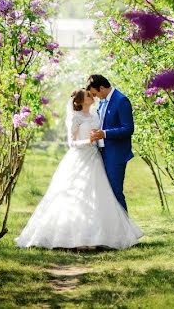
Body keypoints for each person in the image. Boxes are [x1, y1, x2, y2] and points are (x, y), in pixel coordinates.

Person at [15, 88, 143, 249]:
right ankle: (71, 237)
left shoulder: (95, 115)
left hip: (95, 159)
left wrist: (97, 141)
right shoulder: (75, 118)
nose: (92, 96)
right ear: (82, 101)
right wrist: (87, 142)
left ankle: (101, 236)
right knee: (76, 194)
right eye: (89, 95)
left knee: (99, 196)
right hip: (80, 158)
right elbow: (71, 142)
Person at [85, 74, 134, 211]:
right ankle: (113, 228)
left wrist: (105, 134)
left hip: (116, 154)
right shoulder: (103, 101)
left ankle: (125, 230)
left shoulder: (121, 100)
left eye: (95, 93)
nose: (95, 97)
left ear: (101, 88)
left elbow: (128, 128)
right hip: (102, 152)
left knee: (115, 191)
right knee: (105, 193)